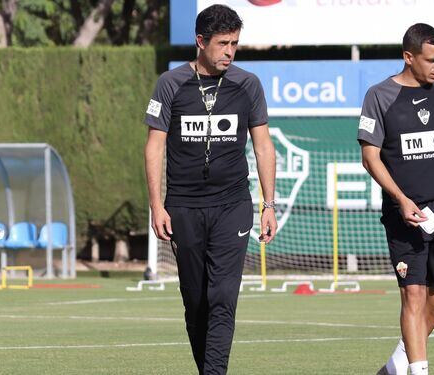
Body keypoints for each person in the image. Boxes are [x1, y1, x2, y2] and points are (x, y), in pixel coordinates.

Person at [144, 4, 277, 374]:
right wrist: (157, 206)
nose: (230, 52)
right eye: (222, 43)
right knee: (195, 300)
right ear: (200, 42)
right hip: (184, 207)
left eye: (235, 43)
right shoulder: (170, 84)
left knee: (223, 296)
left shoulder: (247, 84)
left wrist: (269, 203)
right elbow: (154, 146)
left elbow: (264, 145)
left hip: (232, 204)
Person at [358, 23, 434, 375]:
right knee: (415, 294)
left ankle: (396, 365)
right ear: (409, 57)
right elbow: (370, 156)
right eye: (431, 59)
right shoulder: (380, 95)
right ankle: (418, 371)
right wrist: (401, 200)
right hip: (404, 212)